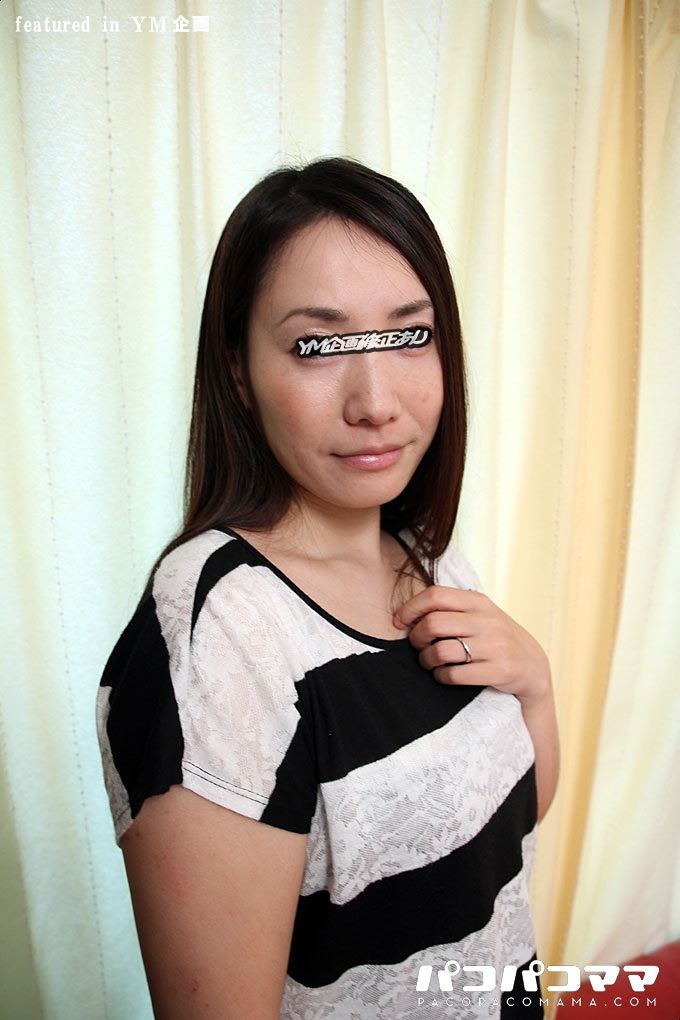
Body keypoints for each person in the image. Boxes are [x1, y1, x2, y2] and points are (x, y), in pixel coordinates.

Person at [96, 156, 560, 1019]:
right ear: (238, 371)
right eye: (317, 346)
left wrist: (535, 684)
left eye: (409, 335)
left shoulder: (426, 553)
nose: (376, 402)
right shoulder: (221, 636)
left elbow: (498, 830)